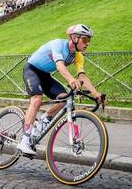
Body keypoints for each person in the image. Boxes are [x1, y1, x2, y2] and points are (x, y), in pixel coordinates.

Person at [17, 24, 105, 155]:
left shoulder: (78, 55)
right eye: (85, 40)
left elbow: (82, 76)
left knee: (64, 98)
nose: (87, 44)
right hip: (32, 70)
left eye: (89, 41)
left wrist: (96, 93)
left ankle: (42, 121)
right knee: (37, 100)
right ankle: (24, 141)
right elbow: (59, 65)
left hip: (45, 75)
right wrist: (71, 80)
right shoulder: (58, 44)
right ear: (74, 38)